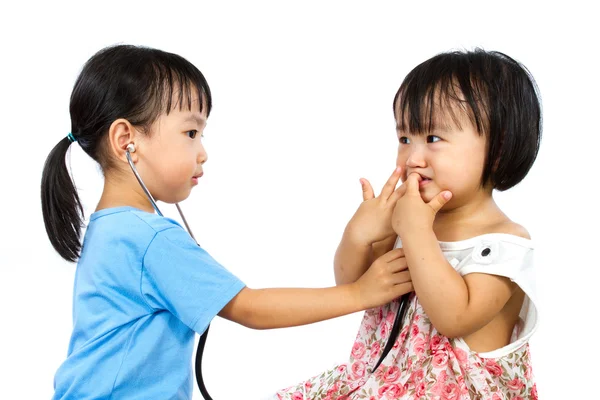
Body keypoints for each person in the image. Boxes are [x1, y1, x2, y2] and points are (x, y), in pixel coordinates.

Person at [41, 44, 414, 400]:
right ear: (126, 140)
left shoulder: (110, 227)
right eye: (190, 133)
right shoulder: (149, 237)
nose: (203, 152)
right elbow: (250, 308)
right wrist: (359, 293)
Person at [274, 48, 542, 399]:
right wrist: (358, 236)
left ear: (499, 148)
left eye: (433, 139)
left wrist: (415, 231)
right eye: (404, 139)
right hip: (380, 383)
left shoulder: (504, 244)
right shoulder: (406, 217)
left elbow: (454, 317)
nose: (413, 158)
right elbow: (355, 289)